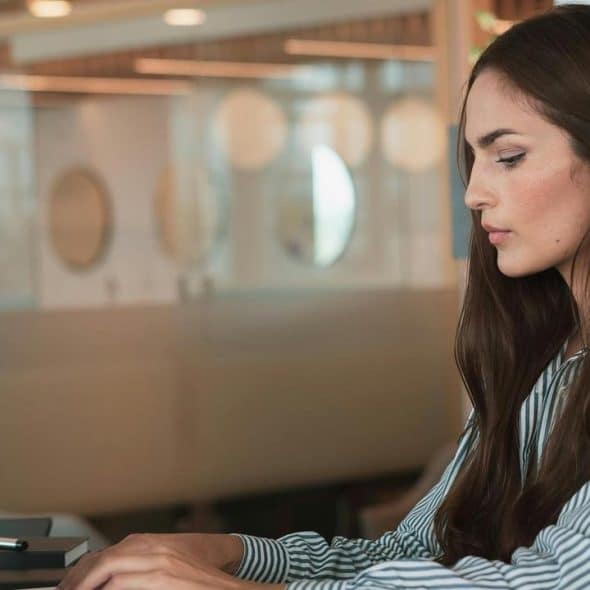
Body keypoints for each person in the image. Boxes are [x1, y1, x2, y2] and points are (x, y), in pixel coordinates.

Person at [58, 4, 590, 589]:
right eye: (473, 159)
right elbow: (411, 554)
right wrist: (226, 553)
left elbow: (554, 582)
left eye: (508, 156)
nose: (474, 193)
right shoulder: (544, 364)